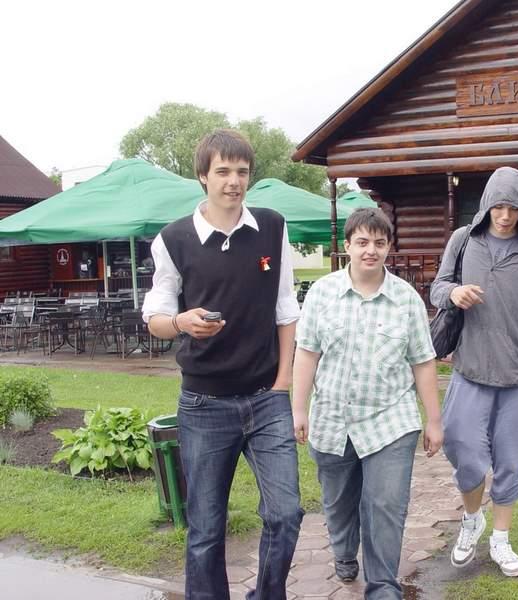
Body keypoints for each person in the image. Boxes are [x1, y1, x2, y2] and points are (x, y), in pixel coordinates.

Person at [142, 129, 303, 600]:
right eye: (223, 171)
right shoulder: (174, 239)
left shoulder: (271, 226)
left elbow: (286, 310)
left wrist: (282, 383)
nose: (234, 181)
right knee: (206, 529)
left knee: (286, 513)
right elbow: (154, 317)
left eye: (242, 172)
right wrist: (182, 322)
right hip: (204, 404)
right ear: (202, 176)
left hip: (266, 399)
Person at [292, 207, 443, 599]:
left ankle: (382, 587)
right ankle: (344, 552)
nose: (370, 250)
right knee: (339, 503)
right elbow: (306, 353)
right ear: (347, 246)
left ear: (389, 246)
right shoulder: (322, 294)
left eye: (378, 242)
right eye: (362, 242)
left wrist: (434, 420)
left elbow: (423, 361)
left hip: (391, 419)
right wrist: (299, 408)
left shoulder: (406, 300)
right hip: (333, 419)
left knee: (385, 505)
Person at [430, 166, 518, 578]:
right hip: (468, 373)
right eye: (498, 207)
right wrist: (454, 292)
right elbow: (437, 287)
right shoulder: (463, 240)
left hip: (517, 379)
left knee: (510, 463)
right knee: (465, 454)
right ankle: (472, 518)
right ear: (486, 204)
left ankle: (501, 539)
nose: (505, 216)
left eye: (513, 208)